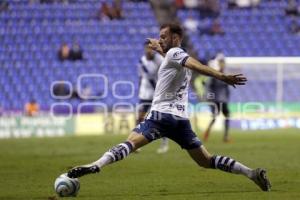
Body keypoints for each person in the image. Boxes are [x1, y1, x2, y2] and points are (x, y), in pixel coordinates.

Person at [67, 23, 271, 192]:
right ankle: (251, 173)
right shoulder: (172, 55)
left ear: (176, 38)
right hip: (181, 121)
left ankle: (96, 165)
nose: (160, 39)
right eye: (160, 36)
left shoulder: (175, 53)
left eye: (164, 36)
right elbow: (175, 60)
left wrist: (222, 76)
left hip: (161, 115)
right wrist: (159, 47)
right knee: (206, 160)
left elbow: (194, 64)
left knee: (130, 142)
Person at [136, 42, 169, 154]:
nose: (149, 50)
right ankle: (136, 144)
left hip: (158, 92)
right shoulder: (142, 61)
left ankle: (164, 143)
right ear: (145, 49)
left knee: (161, 118)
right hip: (145, 92)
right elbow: (141, 76)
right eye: (147, 48)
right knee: (140, 117)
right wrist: (139, 89)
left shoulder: (160, 60)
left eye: (151, 48)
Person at [202, 53, 231, 142]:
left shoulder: (224, 74)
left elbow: (227, 88)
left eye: (223, 62)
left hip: (223, 99)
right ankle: (209, 132)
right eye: (221, 62)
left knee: (225, 116)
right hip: (216, 100)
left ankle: (225, 136)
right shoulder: (215, 74)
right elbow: (208, 86)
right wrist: (209, 98)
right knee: (217, 116)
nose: (222, 63)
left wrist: (227, 96)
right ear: (218, 63)